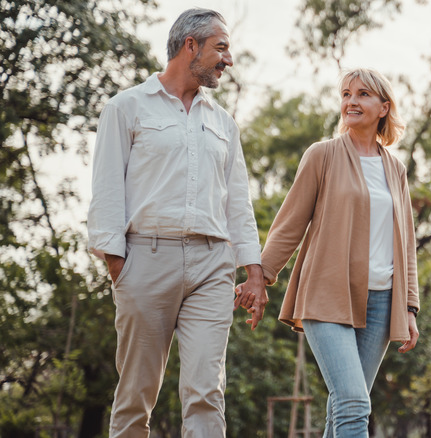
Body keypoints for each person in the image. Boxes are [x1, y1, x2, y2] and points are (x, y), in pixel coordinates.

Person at [87, 8, 267, 438]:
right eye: (220, 47)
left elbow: (237, 203)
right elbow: (107, 191)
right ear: (191, 46)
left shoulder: (224, 123)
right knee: (136, 394)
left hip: (212, 266)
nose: (228, 59)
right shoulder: (126, 107)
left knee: (207, 392)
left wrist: (254, 273)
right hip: (145, 260)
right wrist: (118, 265)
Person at [236, 68, 420, 436]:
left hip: (382, 302)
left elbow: (406, 243)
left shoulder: (395, 170)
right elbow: (290, 223)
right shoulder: (322, 155)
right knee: (353, 402)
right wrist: (261, 276)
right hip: (327, 293)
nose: (351, 101)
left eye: (363, 94)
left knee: (343, 407)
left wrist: (410, 307)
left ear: (384, 107)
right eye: (346, 94)